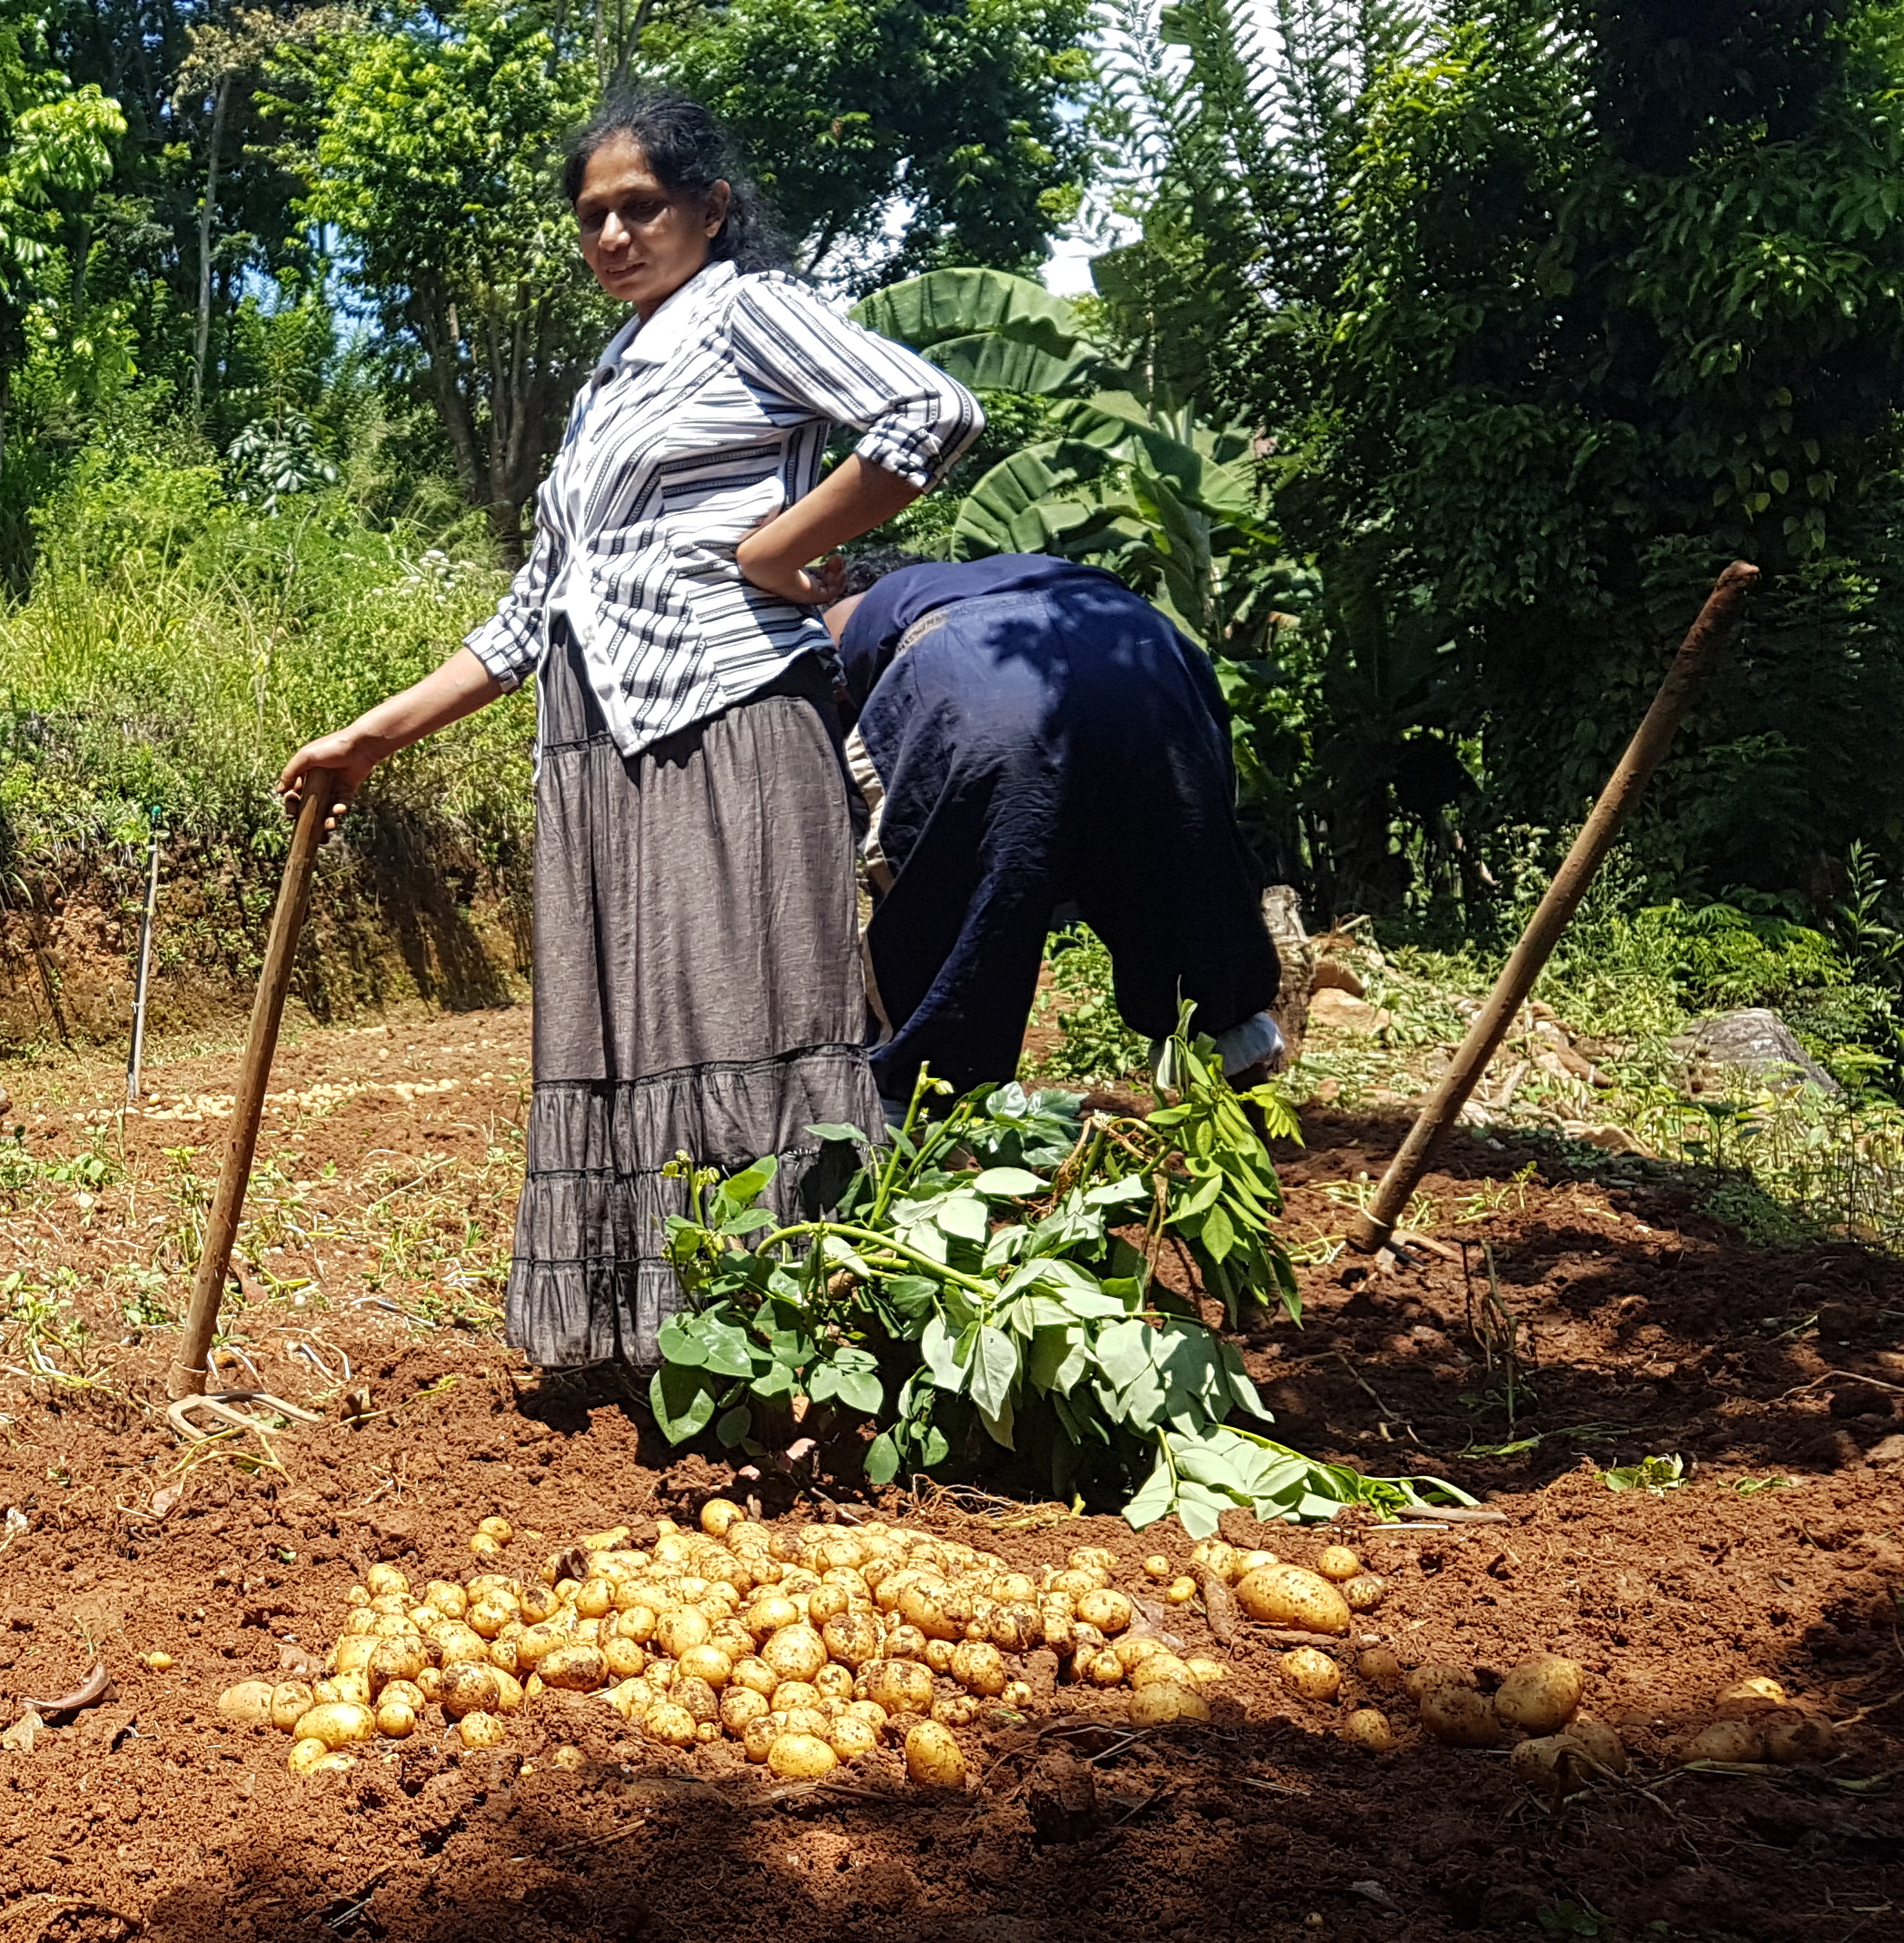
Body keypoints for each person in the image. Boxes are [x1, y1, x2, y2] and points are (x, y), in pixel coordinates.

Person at [280, 93, 980, 1372]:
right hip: (599, 747)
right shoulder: (608, 382)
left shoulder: (750, 312)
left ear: (710, 210)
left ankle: (787, 1335)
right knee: (630, 1028)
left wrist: (777, 549)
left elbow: (930, 415)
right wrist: (375, 736)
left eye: (639, 205)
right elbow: (535, 608)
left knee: (738, 1008)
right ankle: (654, 1333)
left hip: (729, 720)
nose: (611, 232)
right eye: (592, 213)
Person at [827, 551, 1284, 1107]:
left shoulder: (844, 611)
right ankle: (1240, 1126)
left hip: (972, 679)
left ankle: (926, 1126)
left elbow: (905, 842)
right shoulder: (1016, 569)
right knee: (1191, 901)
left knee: (936, 924)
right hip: (1140, 647)